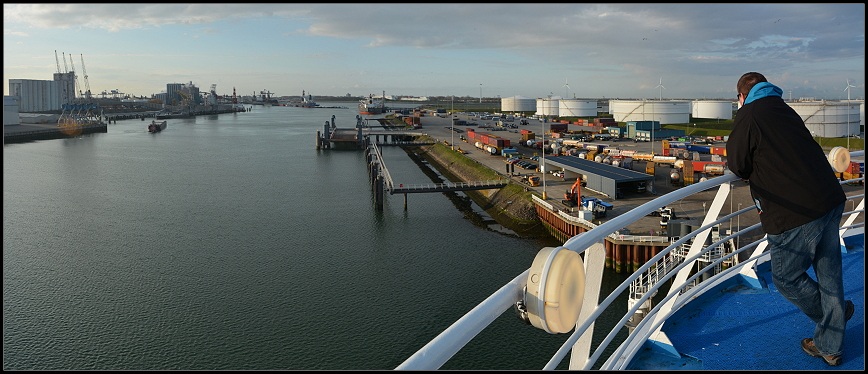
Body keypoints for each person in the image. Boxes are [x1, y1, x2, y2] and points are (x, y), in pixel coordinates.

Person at [727, 72, 853, 366]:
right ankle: (831, 343)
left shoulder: (750, 114)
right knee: (830, 276)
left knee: (786, 278)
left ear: (742, 96)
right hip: (829, 200)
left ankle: (832, 324)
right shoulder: (784, 109)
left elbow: (737, 164)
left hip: (796, 212)